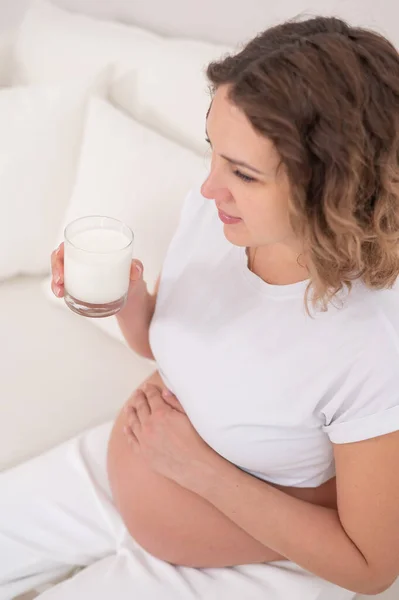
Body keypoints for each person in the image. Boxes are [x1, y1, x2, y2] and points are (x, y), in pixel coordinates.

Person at [1, 15, 399, 600]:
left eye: (242, 172)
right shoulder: (217, 218)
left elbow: (370, 566)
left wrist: (198, 470)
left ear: (332, 187)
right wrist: (128, 300)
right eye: (214, 151)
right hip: (122, 472)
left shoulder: (372, 340)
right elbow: (159, 342)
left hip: (248, 560)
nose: (210, 185)